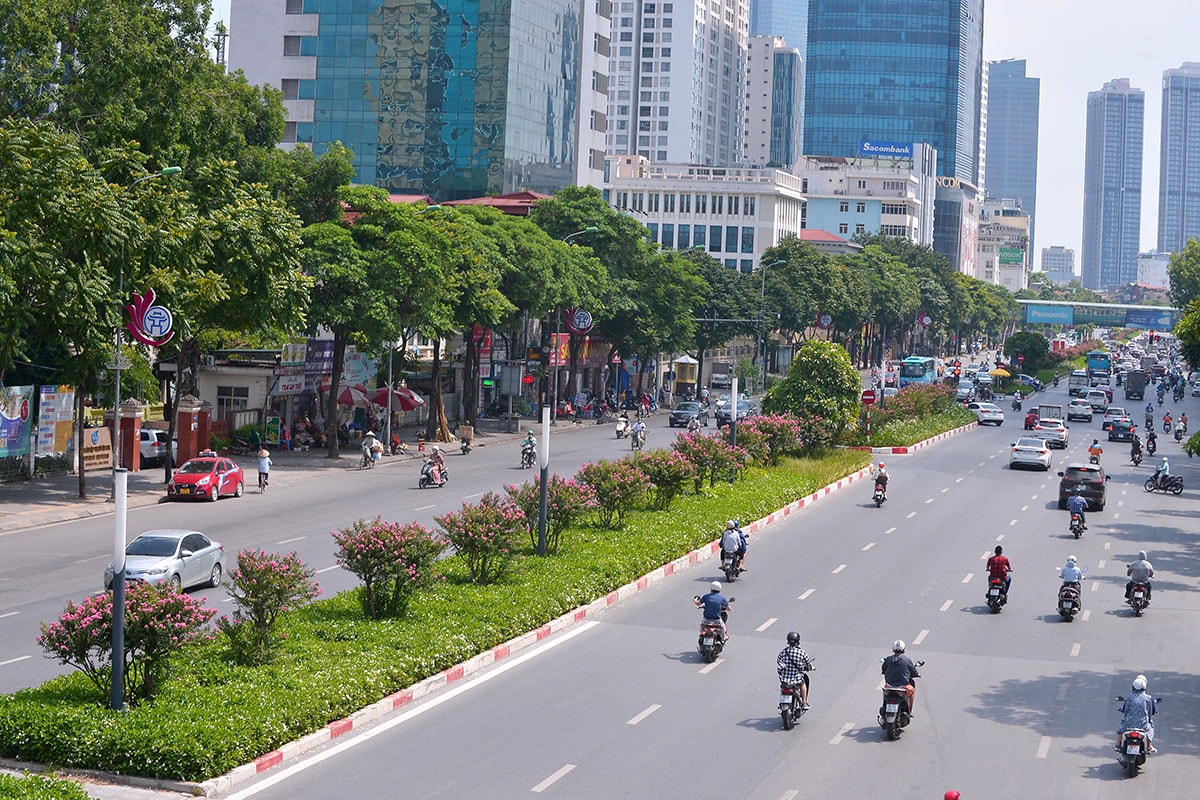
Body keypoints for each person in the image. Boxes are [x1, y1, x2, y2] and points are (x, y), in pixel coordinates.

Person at [1116, 675, 1158, 753]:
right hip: (1143, 724)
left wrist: (1122, 709)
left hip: (1129, 723)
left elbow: (1125, 709)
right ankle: (1149, 746)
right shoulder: (1148, 698)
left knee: (1121, 729)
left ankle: (1117, 744)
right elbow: (1151, 710)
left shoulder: (1129, 697)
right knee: (1150, 730)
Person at [881, 640, 920, 716]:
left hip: (889, 686)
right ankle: (910, 711)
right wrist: (917, 674)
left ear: (893, 649)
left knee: (885, 692)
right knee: (912, 691)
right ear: (903, 649)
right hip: (903, 687)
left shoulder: (888, 659)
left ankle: (884, 706)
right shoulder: (907, 660)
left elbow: (883, 669)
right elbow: (914, 671)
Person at [776, 631, 814, 710]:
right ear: (798, 641)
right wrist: (811, 668)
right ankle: (804, 702)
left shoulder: (783, 652)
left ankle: (781, 702)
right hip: (796, 679)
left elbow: (779, 662)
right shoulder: (801, 652)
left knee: (783, 687)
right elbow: (808, 663)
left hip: (785, 679)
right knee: (803, 684)